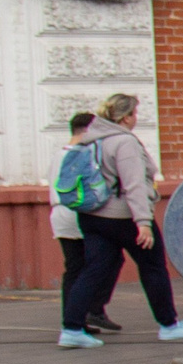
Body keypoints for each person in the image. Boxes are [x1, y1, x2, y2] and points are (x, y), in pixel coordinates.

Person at [62, 94, 183, 348]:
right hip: (123, 216)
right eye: (135, 113)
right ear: (125, 118)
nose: (136, 118)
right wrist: (144, 222)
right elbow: (134, 184)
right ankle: (169, 325)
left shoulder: (91, 138)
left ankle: (71, 329)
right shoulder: (124, 142)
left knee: (93, 270)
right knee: (153, 265)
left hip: (91, 215)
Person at [53, 111, 119, 337]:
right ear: (88, 130)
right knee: (103, 262)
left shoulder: (58, 154)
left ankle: (74, 319)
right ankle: (90, 310)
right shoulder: (83, 154)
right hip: (81, 214)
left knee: (74, 268)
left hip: (60, 215)